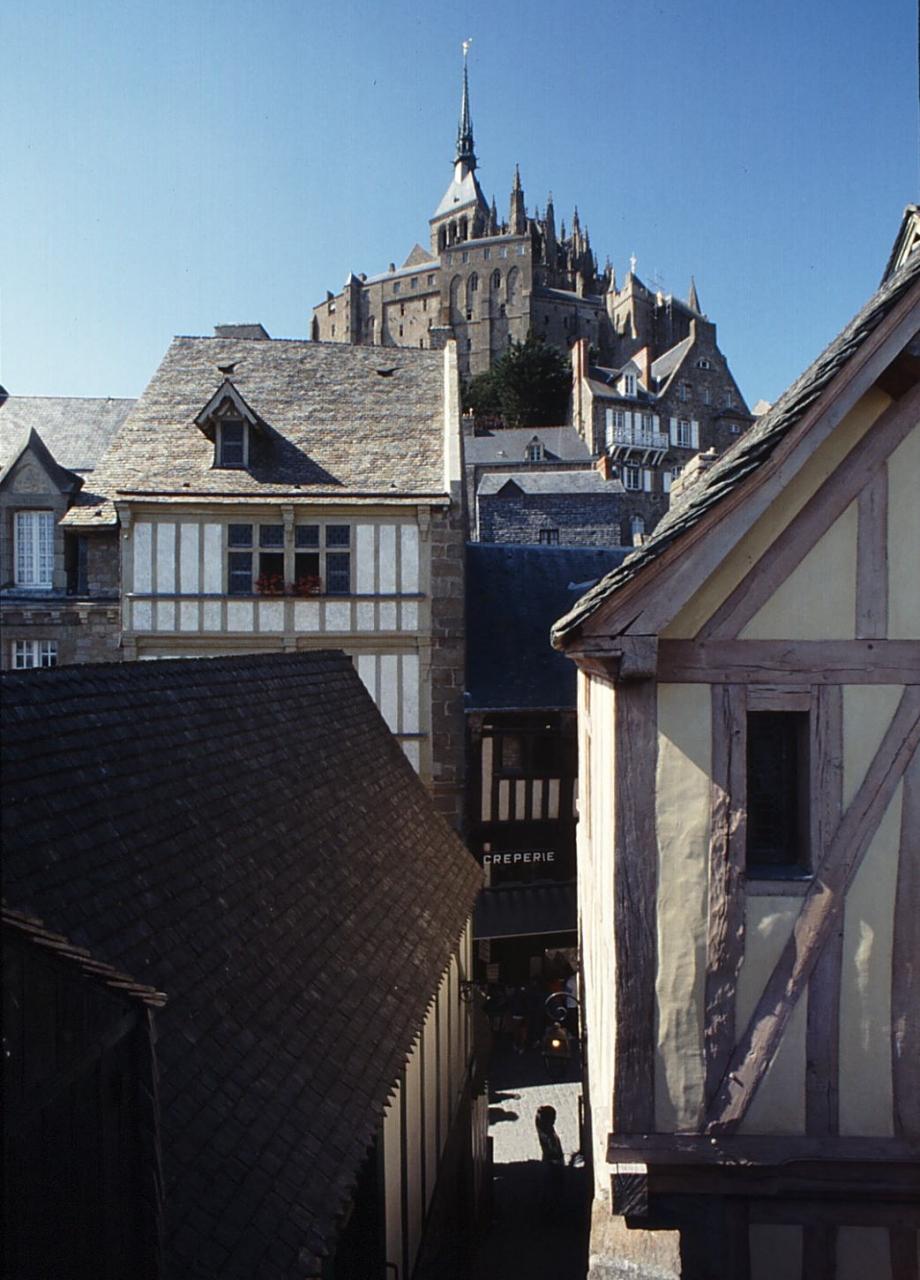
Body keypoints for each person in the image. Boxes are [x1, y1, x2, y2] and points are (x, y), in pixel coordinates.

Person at [535, 1104, 564, 1205]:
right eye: (553, 1118)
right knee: (553, 1186)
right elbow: (554, 1150)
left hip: (550, 1161)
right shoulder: (549, 1136)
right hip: (553, 1163)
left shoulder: (543, 1127)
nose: (554, 1120)